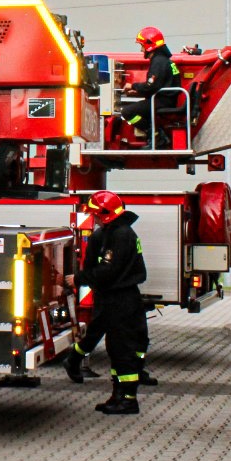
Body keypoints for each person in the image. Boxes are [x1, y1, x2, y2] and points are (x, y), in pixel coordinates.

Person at [63, 190, 149, 415]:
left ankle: (127, 399)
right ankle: (119, 395)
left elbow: (108, 270)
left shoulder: (119, 235)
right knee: (119, 347)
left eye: (96, 215)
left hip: (120, 299)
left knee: (122, 349)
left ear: (105, 214)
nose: (95, 219)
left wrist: (79, 279)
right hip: (119, 297)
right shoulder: (116, 232)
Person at [119, 26, 184, 148]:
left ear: (149, 45)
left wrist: (132, 85)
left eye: (142, 46)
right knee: (140, 109)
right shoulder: (165, 61)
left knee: (127, 112)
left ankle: (156, 135)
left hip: (161, 101)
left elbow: (151, 86)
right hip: (165, 100)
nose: (141, 50)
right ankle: (155, 135)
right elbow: (158, 85)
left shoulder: (158, 61)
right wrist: (137, 92)